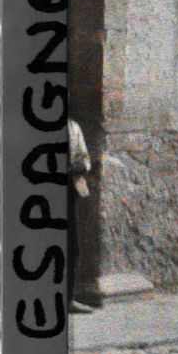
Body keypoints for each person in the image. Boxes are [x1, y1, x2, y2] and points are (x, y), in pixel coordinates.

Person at [70, 117, 102, 312]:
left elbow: (85, 159)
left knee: (72, 247)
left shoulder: (73, 127)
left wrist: (77, 167)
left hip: (69, 191)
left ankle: (68, 298)